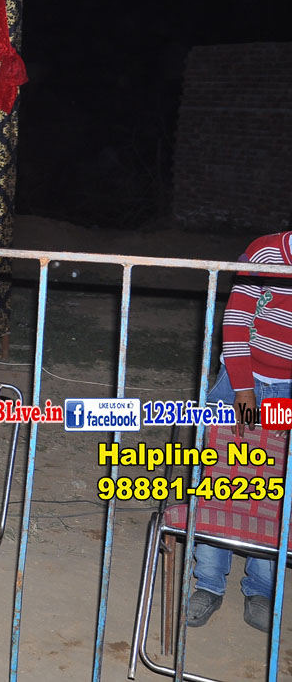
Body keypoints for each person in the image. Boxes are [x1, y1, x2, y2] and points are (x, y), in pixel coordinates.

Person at [188, 230, 292, 632]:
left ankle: (261, 589)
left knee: (274, 487)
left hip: (287, 389)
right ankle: (208, 583)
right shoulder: (265, 251)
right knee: (220, 478)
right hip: (239, 378)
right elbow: (235, 322)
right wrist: (244, 392)